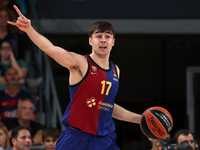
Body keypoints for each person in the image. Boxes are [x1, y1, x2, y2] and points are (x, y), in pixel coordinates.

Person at [8, 5, 142, 150]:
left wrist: (140, 119)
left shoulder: (115, 70)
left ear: (113, 42)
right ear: (91, 41)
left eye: (107, 36)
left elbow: (107, 106)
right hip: (76, 138)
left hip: (105, 139)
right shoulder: (80, 63)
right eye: (98, 36)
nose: (103, 40)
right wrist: (29, 29)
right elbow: (51, 49)